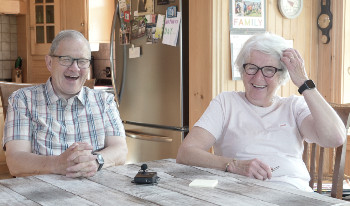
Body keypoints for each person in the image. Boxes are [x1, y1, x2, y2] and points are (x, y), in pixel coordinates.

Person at [176, 33, 346, 191]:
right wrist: (233, 165)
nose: (258, 78)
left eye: (269, 70)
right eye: (251, 68)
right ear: (242, 71)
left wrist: (304, 83)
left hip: (294, 194)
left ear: (281, 76)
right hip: (242, 194)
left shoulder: (294, 106)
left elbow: (335, 137)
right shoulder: (226, 103)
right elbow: (186, 153)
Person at [3, 30, 128, 178]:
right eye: (66, 59)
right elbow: (15, 161)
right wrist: (58, 164)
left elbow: (121, 150)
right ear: (49, 62)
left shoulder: (105, 101)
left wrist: (96, 161)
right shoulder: (23, 99)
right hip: (41, 196)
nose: (74, 68)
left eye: (82, 61)